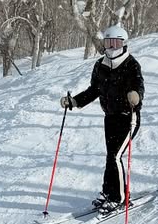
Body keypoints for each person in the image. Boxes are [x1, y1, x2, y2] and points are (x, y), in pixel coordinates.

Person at [60, 24, 144, 211]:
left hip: (128, 117)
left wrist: (135, 96)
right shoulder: (100, 65)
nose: (112, 47)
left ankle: (119, 198)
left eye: (116, 43)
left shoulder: (131, 64)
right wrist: (74, 102)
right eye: (108, 43)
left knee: (115, 156)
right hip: (111, 117)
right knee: (110, 157)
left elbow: (139, 86)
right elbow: (94, 90)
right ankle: (108, 192)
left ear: (123, 44)